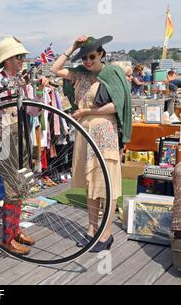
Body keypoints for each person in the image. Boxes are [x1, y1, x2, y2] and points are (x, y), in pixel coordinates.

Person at [51, 35, 132, 252]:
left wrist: (88, 111)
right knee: (91, 183)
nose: (88, 61)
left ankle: (106, 234)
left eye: (92, 56)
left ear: (102, 54)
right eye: (84, 57)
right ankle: (91, 228)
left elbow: (117, 105)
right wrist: (73, 47)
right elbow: (55, 69)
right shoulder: (80, 73)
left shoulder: (112, 73)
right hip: (85, 133)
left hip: (104, 131)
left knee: (106, 183)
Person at [0, 36, 48, 255]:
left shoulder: (22, 82)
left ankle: (15, 230)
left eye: (23, 57)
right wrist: (7, 84)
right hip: (2, 138)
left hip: (19, 134)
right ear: (8, 60)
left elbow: (33, 111)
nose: (22, 61)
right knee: (12, 187)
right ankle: (7, 239)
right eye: (19, 57)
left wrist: (39, 91)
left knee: (22, 184)